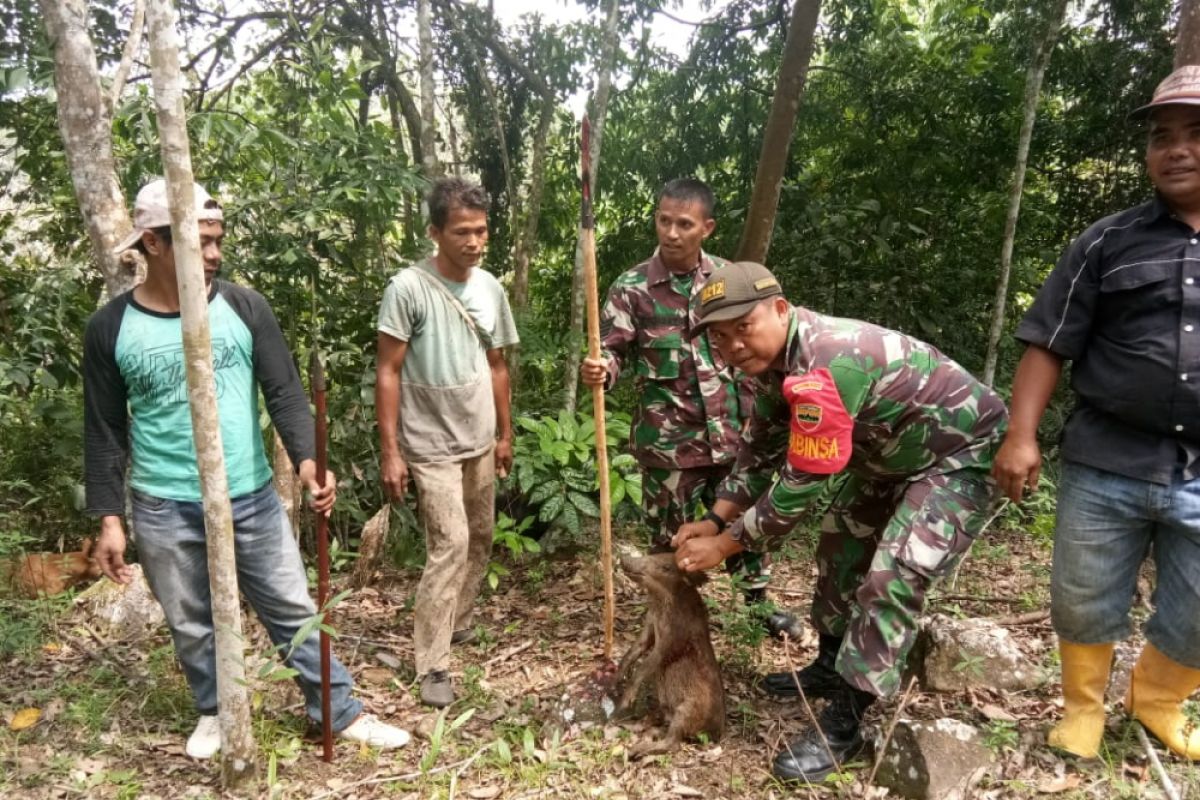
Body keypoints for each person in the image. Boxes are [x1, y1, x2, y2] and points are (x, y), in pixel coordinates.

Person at [84, 178, 410, 759]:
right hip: (162, 501)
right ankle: (214, 710)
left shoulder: (242, 306)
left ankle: (336, 711)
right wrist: (110, 517)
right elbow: (104, 427)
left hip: (251, 494)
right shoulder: (110, 328)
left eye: (216, 240)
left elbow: (283, 391)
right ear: (153, 245)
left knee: (291, 605)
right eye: (198, 242)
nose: (213, 255)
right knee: (189, 619)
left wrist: (310, 462)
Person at [673, 261, 1007, 781]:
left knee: (892, 574)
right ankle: (832, 664)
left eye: (744, 327)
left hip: (957, 455)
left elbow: (800, 483)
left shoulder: (826, 363)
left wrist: (726, 546)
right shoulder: (771, 367)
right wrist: (715, 518)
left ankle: (847, 721)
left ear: (781, 310)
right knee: (840, 545)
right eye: (719, 337)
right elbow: (757, 452)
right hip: (887, 457)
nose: (733, 345)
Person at [993, 65, 1200, 761]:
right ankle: (1082, 708)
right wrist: (1020, 436)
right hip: (1106, 459)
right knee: (1084, 596)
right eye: (1163, 137)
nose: (1176, 149)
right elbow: (1048, 341)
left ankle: (1159, 701)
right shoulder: (1107, 242)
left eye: (1196, 134)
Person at [579, 178, 798, 637]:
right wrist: (604, 369)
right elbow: (615, 350)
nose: (672, 233)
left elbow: (755, 340)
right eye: (664, 221)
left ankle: (757, 607)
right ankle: (672, 614)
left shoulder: (726, 280)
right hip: (668, 443)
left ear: (707, 228)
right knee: (669, 535)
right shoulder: (632, 287)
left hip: (733, 432)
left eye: (684, 224)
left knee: (741, 520)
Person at [376, 177, 518, 708]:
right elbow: (387, 371)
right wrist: (391, 451)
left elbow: (498, 364)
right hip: (429, 441)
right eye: (462, 231)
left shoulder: (490, 288)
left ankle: (454, 621)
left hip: (478, 436)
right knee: (450, 543)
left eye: (481, 231)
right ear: (435, 232)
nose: (474, 242)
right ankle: (432, 662)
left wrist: (505, 434)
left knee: (480, 535)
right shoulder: (408, 289)